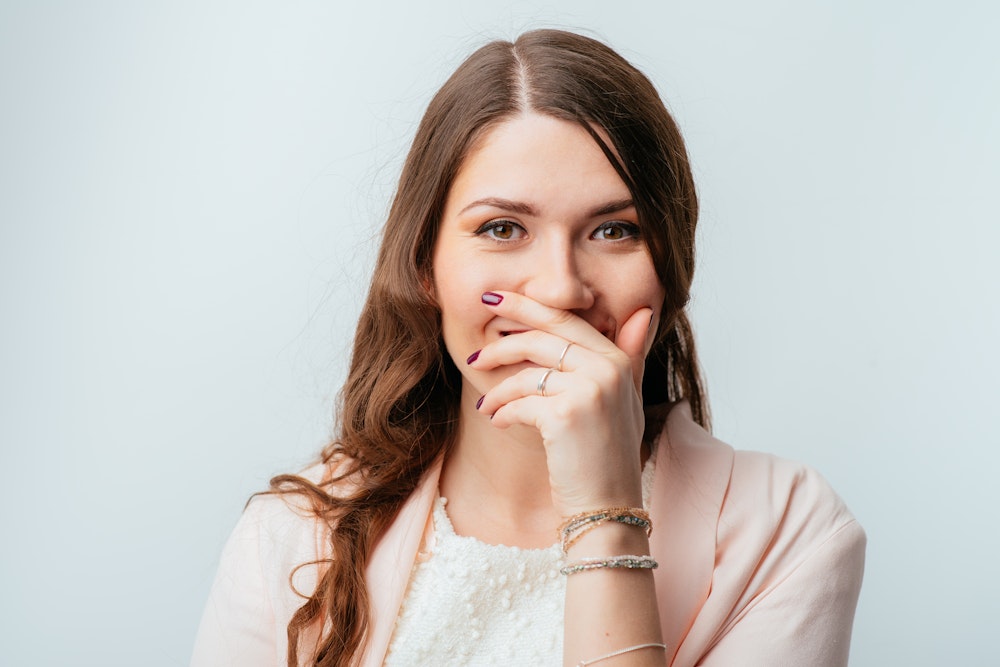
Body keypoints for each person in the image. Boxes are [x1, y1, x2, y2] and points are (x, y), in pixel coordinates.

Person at [191, 29, 865, 667]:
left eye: (614, 231)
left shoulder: (791, 529)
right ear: (426, 263)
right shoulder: (289, 536)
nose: (561, 288)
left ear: (670, 264)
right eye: (503, 227)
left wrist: (605, 508)